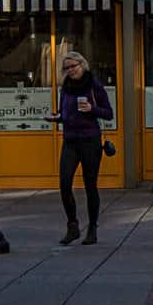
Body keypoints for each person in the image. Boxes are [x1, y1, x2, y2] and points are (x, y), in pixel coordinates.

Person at [55, 49, 113, 244]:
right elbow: (64, 112)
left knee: (90, 186)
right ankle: (72, 226)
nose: (70, 70)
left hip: (90, 140)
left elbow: (108, 113)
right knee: (64, 184)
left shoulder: (93, 85)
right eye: (67, 68)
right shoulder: (66, 87)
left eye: (73, 66)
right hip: (70, 140)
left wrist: (92, 109)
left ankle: (92, 229)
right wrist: (57, 117)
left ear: (82, 65)